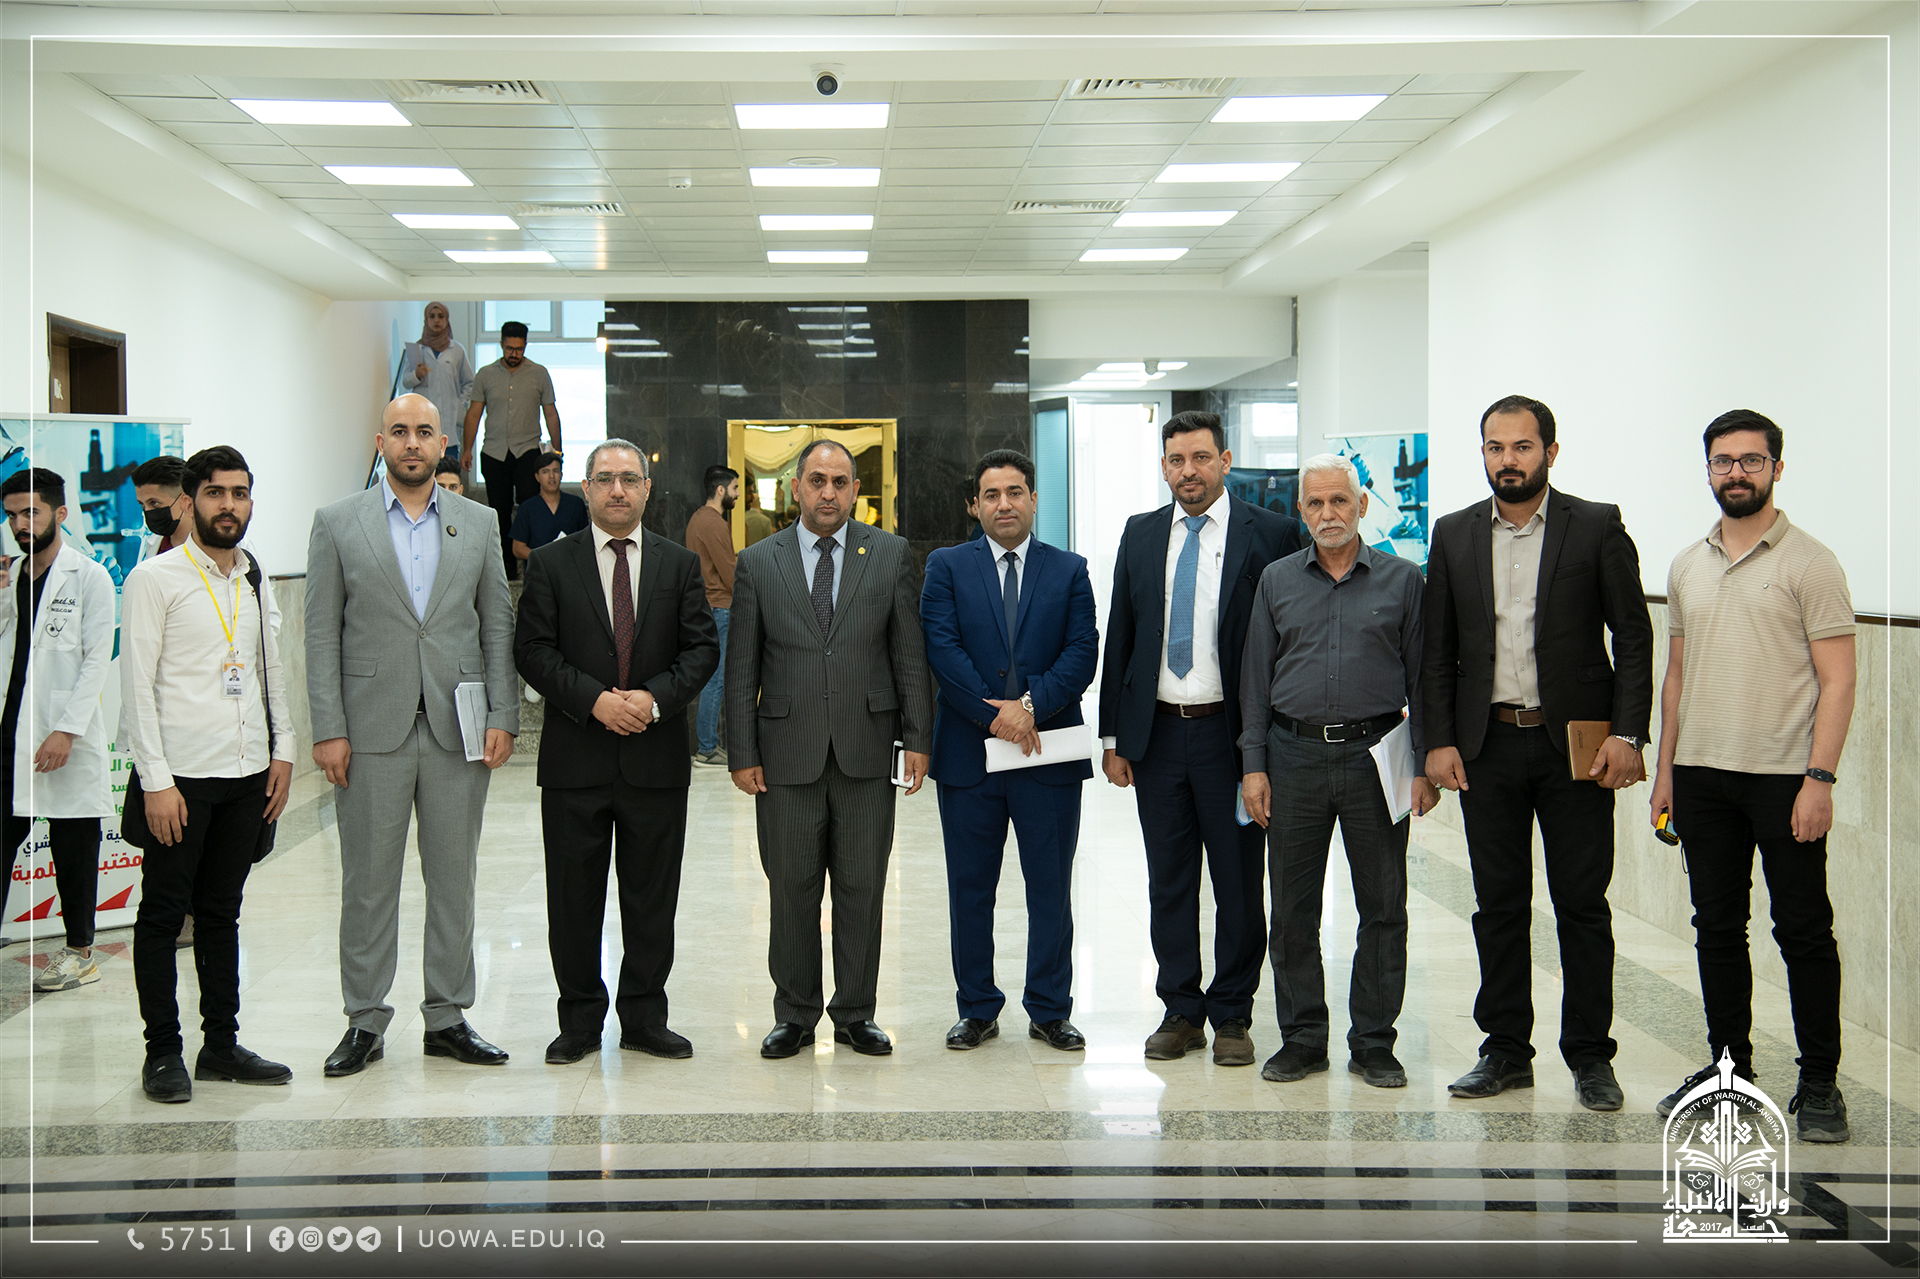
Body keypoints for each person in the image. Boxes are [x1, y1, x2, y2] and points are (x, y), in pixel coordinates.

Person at [1422, 394, 1653, 1112]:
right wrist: (1438, 739)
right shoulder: (1454, 533)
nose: (1508, 460)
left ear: (1550, 452)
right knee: (1497, 904)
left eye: (1522, 446)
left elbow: (1633, 637)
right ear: (1483, 454)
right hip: (1487, 744)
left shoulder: (1596, 525)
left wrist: (1629, 733)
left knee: (1581, 903)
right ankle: (1504, 1050)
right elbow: (1437, 649)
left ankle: (1590, 1055)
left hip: (1575, 749)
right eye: (1495, 447)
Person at [1650, 410, 1855, 1142]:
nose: (1736, 472)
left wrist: (1819, 779)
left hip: (1784, 778)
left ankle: (1821, 1081)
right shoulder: (1686, 563)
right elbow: (1676, 677)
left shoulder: (1811, 563)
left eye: (1751, 460)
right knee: (1716, 928)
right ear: (1708, 469)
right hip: (1702, 777)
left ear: (1776, 467)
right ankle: (1728, 1069)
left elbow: (1839, 680)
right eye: (1723, 460)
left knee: (1803, 929)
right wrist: (1666, 771)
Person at [306, 393, 519, 1078]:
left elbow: (496, 623)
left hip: (460, 728)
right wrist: (329, 728)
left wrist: (503, 713)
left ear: (442, 444)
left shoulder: (478, 521)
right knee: (369, 883)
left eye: (424, 432)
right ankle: (364, 1020)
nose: (411, 443)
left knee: (454, 879)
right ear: (381, 442)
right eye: (398, 431)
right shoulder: (338, 522)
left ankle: (448, 1016)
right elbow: (320, 633)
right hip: (370, 730)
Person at [1097, 409, 1308, 1066]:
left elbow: (1286, 639)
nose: (1188, 471)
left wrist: (1267, 746)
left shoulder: (1271, 532)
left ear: (1225, 460)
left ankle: (1233, 1013)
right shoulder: (1140, 533)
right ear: (1164, 467)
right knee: (1169, 879)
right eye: (1176, 460)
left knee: (1239, 881)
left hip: (1232, 739)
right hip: (1158, 736)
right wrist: (1114, 735)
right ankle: (1181, 1009)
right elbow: (1123, 634)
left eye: (1200, 457)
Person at [726, 439, 933, 1060]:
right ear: (796, 488)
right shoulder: (757, 562)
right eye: (816, 480)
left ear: (855, 491)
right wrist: (741, 750)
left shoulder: (889, 554)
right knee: (790, 887)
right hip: (785, 754)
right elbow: (741, 667)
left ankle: (855, 1013)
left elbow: (909, 655)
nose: (828, 492)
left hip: (867, 751)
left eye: (840, 482)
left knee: (862, 887)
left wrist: (918, 738)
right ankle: (794, 1014)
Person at [515, 440, 719, 1065]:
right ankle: (579, 1021)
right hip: (575, 761)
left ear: (647, 489)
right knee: (572, 900)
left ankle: (645, 1019)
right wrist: (596, 701)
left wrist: (653, 701)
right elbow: (533, 650)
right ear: (586, 488)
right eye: (605, 479)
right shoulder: (551, 563)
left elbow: (701, 650)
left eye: (630, 479)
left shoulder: (678, 564)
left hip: (655, 762)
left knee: (651, 900)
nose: (618, 490)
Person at [1238, 455, 1436, 1088]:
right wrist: (1253, 766)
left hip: (1376, 756)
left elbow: (1424, 680)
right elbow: (1255, 682)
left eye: (1340, 501)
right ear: (1301, 511)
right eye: (1316, 504)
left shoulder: (1404, 580)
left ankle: (1374, 1042)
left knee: (1384, 905)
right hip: (1291, 756)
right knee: (1292, 907)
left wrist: (1425, 764)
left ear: (1362, 505)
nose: (1329, 514)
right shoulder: (1276, 581)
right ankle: (1302, 1038)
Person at [122, 446, 294, 1103]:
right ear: (189, 501)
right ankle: (163, 1051)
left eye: (240, 493)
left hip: (247, 773)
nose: (229, 505)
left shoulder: (253, 575)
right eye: (216, 493)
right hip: (181, 779)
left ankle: (221, 1044)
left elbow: (269, 668)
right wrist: (156, 781)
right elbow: (137, 687)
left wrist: (283, 751)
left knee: (222, 912)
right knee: (163, 916)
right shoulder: (155, 579)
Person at [921, 450, 1097, 1053]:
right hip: (969, 758)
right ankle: (977, 1008)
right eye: (991, 495)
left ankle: (1050, 1009)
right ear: (974, 505)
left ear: (1034, 500)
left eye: (1015, 492)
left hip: (1047, 755)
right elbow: (942, 649)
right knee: (970, 889)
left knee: (1050, 888)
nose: (1004, 504)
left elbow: (1082, 651)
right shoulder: (946, 566)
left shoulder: (1069, 570)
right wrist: (996, 715)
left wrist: (1029, 707)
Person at [0, 470, 116, 989]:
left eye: (31, 513)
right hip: (11, 733)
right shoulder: (12, 576)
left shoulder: (88, 577)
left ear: (60, 514)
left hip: (64, 735)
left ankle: (79, 952)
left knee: (74, 847)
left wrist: (66, 730)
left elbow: (95, 661)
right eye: (12, 515)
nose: (20, 525)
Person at [462, 320, 561, 579]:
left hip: (528, 450)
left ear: (525, 346)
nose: (514, 353)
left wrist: (557, 452)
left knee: (529, 508)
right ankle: (505, 570)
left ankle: (531, 567)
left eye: (518, 349)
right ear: (501, 345)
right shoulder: (485, 374)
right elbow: (474, 413)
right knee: (499, 511)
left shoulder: (539, 373)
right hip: (494, 452)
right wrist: (467, 449)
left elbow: (550, 412)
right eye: (509, 348)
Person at [684, 464, 738, 768]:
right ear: (720, 490)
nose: (737, 494)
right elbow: (728, 570)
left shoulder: (697, 519)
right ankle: (707, 748)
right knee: (716, 680)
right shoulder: (714, 523)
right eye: (734, 488)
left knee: (711, 678)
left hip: (707, 604)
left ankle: (708, 745)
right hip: (720, 605)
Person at [400, 301, 475, 465]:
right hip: (422, 419)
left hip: (449, 421)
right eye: (432, 316)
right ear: (426, 320)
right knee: (424, 466)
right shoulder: (417, 349)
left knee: (448, 469)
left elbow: (469, 382)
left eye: (441, 316)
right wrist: (416, 375)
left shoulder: (456, 349)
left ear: (447, 320)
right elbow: (405, 381)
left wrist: (460, 404)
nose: (436, 320)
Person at [509, 453, 588, 562]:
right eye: (545, 472)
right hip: (538, 568)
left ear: (561, 475)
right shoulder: (527, 508)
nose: (551, 476)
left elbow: (586, 542)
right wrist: (543, 559)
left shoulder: (575, 504)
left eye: (555, 471)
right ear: (537, 477)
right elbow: (517, 548)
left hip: (569, 566)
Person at [133, 455, 192, 560]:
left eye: (154, 503)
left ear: (186, 501)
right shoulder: (155, 545)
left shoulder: (214, 548)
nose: (147, 511)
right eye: (142, 504)